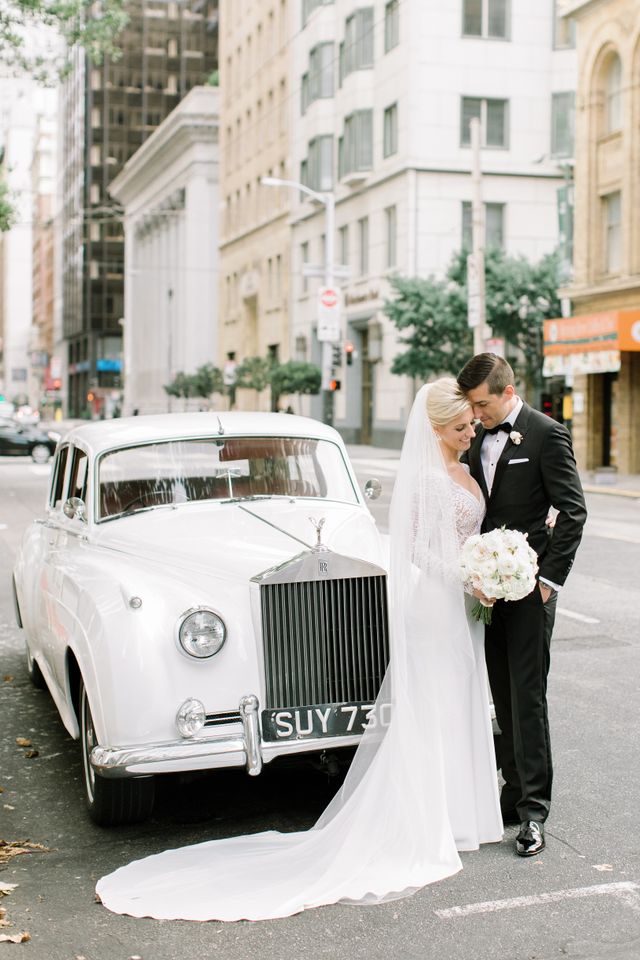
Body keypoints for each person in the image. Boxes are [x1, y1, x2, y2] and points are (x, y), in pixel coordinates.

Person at [95, 379, 502, 922]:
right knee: (433, 704)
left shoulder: (468, 468)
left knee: (456, 699)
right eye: (461, 426)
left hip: (460, 606)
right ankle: (435, 816)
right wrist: (471, 577)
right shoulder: (426, 477)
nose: (471, 431)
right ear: (433, 431)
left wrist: (488, 569)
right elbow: (422, 550)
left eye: (472, 424)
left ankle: (463, 811)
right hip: (441, 601)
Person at [457, 354, 587, 858]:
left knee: (527, 696)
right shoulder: (476, 437)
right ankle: (511, 794)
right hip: (486, 589)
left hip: (530, 587)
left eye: (483, 404)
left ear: (507, 391)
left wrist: (549, 580)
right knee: (501, 694)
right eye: (472, 406)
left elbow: (572, 510)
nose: (477, 414)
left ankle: (534, 811)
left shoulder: (545, 434)